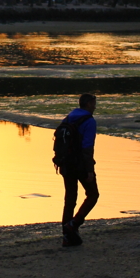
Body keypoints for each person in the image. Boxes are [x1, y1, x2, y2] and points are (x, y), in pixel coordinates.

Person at [56, 92, 99, 247]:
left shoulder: (69, 116)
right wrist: (90, 171)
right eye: (94, 104)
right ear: (88, 104)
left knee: (70, 199)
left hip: (65, 163)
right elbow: (87, 147)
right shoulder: (89, 121)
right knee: (93, 194)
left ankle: (67, 236)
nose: (95, 107)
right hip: (79, 164)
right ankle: (73, 225)